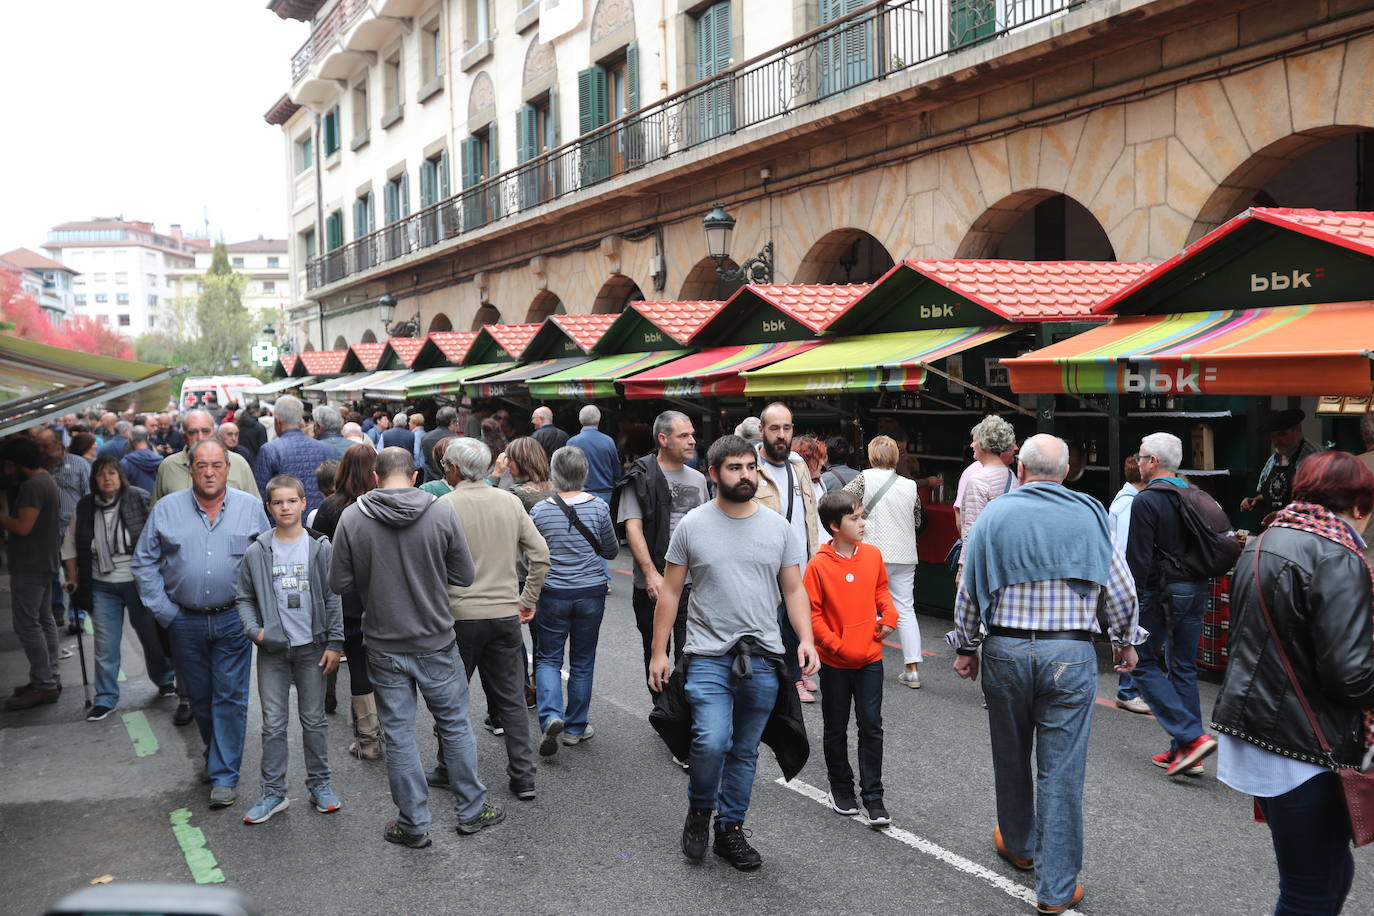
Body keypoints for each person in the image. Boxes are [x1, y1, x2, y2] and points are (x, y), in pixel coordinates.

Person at [948, 434, 1142, 915]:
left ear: (1022, 471)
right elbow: (1118, 585)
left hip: (1007, 649)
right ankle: (1056, 890)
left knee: (1010, 756)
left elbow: (970, 588)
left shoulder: (996, 514)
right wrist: (1123, 640)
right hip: (1070, 652)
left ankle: (1018, 843)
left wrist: (967, 646)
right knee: (1061, 773)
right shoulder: (1091, 513)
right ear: (1067, 472)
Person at [1213, 451, 1374, 916]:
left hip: (1265, 728)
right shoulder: (1337, 555)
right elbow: (1350, 675)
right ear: (1359, 506)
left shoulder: (1265, 540)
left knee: (1323, 875)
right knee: (1312, 891)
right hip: (1308, 742)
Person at [648, 434, 817, 871]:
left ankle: (731, 830)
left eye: (750, 467)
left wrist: (807, 640)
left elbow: (794, 588)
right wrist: (659, 653)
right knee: (711, 740)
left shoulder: (778, 527)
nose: (746, 475)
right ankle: (700, 811)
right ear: (714, 473)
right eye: (735, 468)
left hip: (762, 656)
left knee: (744, 750)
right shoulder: (693, 525)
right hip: (706, 654)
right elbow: (669, 591)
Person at [330, 447, 500, 846]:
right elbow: (464, 575)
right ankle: (472, 811)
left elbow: (337, 583)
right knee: (455, 726)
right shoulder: (441, 511)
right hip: (436, 639)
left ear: (375, 477)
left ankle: (413, 824)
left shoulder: (353, 517)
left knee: (400, 734)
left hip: (384, 642)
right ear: (416, 474)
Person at [133, 438, 270, 808]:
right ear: (190, 469)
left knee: (230, 696)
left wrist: (257, 614)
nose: (209, 472)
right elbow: (143, 561)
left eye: (216, 465)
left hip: (232, 619)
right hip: (184, 621)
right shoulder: (166, 509)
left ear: (228, 469)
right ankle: (217, 753)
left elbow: (266, 561)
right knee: (201, 698)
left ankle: (224, 774)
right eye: (201, 465)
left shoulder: (250, 508)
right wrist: (164, 611)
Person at [426, 438, 550, 802]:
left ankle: (449, 767)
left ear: (452, 469)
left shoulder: (443, 506)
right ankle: (523, 777)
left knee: (451, 698)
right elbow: (540, 556)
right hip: (503, 612)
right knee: (511, 698)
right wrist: (527, 599)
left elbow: (431, 565)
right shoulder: (509, 502)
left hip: (458, 618)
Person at [237, 474, 344, 824]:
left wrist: (335, 642)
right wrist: (255, 632)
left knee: (314, 720)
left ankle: (320, 784)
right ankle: (273, 792)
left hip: (312, 648)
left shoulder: (319, 547)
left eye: (291, 501)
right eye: (278, 502)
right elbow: (244, 597)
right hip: (273, 652)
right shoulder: (257, 550)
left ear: (303, 503)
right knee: (273, 724)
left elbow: (332, 597)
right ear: (269, 507)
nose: (285, 507)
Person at [1127, 432, 1219, 777]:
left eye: (1140, 456)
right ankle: (1186, 752)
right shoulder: (1192, 492)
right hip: (1196, 588)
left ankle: (1191, 738)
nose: (1137, 462)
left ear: (1153, 461)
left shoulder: (1146, 501)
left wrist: (1128, 609)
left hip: (1163, 591)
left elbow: (1137, 561)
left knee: (1142, 662)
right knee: (1183, 667)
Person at [806, 490, 897, 827]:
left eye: (862, 516)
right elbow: (812, 614)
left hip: (871, 657)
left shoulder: (872, 555)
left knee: (871, 726)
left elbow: (881, 591)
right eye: (854, 518)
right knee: (836, 727)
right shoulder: (818, 565)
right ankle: (840, 788)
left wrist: (889, 616)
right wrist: (835, 645)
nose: (862, 523)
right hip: (835, 662)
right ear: (834, 526)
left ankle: (874, 796)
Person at [60, 457, 176, 720]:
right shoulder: (85, 506)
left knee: (151, 638)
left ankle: (165, 679)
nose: (107, 478)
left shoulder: (138, 498)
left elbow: (158, 538)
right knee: (105, 645)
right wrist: (71, 576)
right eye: (101, 475)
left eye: (112, 473)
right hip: (102, 585)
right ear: (94, 480)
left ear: (121, 476)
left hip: (138, 582)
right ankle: (105, 697)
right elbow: (69, 543)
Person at [528, 447, 619, 757]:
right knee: (582, 660)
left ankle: (551, 715)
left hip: (552, 592)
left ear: (554, 474)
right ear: (585, 473)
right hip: (591, 592)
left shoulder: (540, 511)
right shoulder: (599, 507)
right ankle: (576, 727)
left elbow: (531, 553)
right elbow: (610, 550)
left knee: (549, 658)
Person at [617, 411, 708, 699]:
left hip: (692, 583)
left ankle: (683, 709)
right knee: (655, 649)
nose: (692, 441)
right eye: (684, 436)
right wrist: (651, 574)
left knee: (688, 650)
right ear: (663, 439)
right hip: (652, 582)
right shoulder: (641, 477)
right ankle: (663, 707)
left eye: (693, 434)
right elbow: (633, 529)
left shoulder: (699, 479)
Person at [310, 444, 383, 760]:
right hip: (384, 597)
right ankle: (391, 731)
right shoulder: (383, 504)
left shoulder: (330, 509)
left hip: (346, 600)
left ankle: (368, 739)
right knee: (388, 667)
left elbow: (318, 560)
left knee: (358, 665)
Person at [844, 436, 923, 688]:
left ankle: (862, 659)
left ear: (871, 456)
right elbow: (918, 521)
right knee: (905, 609)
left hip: (872, 552)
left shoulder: (863, 479)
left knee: (865, 605)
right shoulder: (910, 486)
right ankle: (911, 668)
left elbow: (840, 504)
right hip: (904, 554)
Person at [754, 402, 819, 703]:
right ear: (761, 431)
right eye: (775, 428)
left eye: (787, 428)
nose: (782, 435)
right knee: (770, 624)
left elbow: (810, 514)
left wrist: (815, 556)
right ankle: (778, 680)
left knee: (795, 623)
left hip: (800, 562)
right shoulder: (749, 466)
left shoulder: (798, 465)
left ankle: (796, 676)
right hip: (764, 567)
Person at [2, 437, 64, 710]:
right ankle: (47, 676)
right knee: (43, 620)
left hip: (31, 563)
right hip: (43, 560)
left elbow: (23, 527)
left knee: (28, 625)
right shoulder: (45, 480)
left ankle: (44, 683)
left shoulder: (33, 486)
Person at [1107, 455, 1150, 716]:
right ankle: (1127, 691)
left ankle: (1132, 689)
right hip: (1132, 581)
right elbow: (1122, 550)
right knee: (1132, 635)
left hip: (1134, 580)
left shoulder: (1129, 501)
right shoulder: (1129, 506)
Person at [36, 426, 91, 632]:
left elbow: (88, 496)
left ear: (58, 445)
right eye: (38, 446)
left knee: (74, 574)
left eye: (44, 446)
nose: (40, 450)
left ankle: (76, 615)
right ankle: (56, 612)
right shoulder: (40, 467)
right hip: (47, 531)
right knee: (50, 574)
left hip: (73, 530)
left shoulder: (79, 464)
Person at [152, 410, 260, 505]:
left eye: (206, 431)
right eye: (193, 432)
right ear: (184, 436)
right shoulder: (168, 467)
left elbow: (255, 508)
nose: (200, 437)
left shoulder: (238, 463)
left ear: (214, 433)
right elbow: (157, 512)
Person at [252, 395, 334, 514]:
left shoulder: (269, 450)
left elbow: (262, 493)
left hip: (284, 521)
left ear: (277, 420)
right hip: (318, 519)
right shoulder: (324, 448)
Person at [1241, 408, 1321, 521]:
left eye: (1282, 434)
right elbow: (1276, 493)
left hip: (1302, 530)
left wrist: (1284, 515)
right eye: (1273, 437)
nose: (1276, 441)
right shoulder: (1274, 459)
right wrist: (1257, 500)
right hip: (1275, 529)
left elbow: (1320, 502)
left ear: (1297, 429)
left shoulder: (1315, 458)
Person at [956, 414, 1019, 544]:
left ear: (986, 444)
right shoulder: (1011, 476)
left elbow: (971, 532)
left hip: (983, 557)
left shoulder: (978, 480)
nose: (972, 445)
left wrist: (964, 563)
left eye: (975, 441)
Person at [566, 405, 619, 506]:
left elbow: (567, 472)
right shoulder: (609, 441)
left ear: (580, 420)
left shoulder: (572, 442)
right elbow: (616, 471)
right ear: (599, 420)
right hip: (606, 496)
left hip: (579, 496)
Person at [502, 437, 555, 511]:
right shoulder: (560, 487)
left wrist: (496, 474)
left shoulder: (516, 494)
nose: (507, 464)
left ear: (521, 461)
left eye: (510, 459)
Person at [421, 406, 461, 483]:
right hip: (450, 483)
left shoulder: (425, 438)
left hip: (430, 481)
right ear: (453, 422)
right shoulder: (456, 441)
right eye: (456, 422)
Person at [121, 425, 164, 492]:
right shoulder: (161, 461)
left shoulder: (125, 462)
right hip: (157, 500)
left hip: (136, 500)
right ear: (147, 438)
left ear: (130, 439)